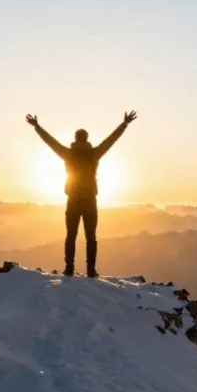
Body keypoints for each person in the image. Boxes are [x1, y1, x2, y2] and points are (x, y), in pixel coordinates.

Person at [27, 110, 137, 277]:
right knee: (91, 237)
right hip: (90, 201)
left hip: (73, 200)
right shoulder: (94, 154)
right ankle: (91, 270)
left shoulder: (68, 154)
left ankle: (69, 268)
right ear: (86, 139)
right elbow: (111, 140)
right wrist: (124, 124)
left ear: (75, 138)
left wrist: (37, 126)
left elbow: (50, 142)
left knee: (71, 236)